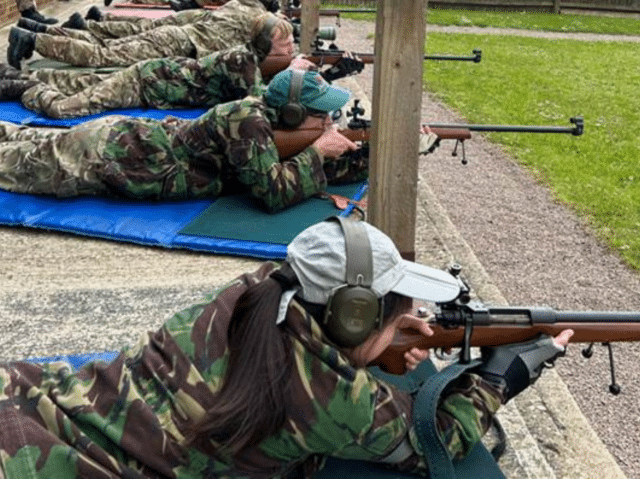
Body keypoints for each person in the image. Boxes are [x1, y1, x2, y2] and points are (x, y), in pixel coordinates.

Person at [0, 216, 573, 478]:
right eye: (396, 307)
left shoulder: (247, 294)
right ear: (351, 317)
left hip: (35, 396)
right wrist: (500, 378)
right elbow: (434, 441)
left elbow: (316, 341)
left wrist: (383, 336)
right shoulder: (332, 399)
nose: (412, 316)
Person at [0, 69, 369, 212]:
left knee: (16, 135)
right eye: (319, 114)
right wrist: (320, 152)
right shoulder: (249, 122)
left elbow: (282, 161)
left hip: (119, 141)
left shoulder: (261, 114)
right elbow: (273, 192)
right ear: (289, 113)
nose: (327, 121)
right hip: (99, 158)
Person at [0, 17, 296, 118]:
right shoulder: (241, 64)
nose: (292, 50)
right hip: (144, 82)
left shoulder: (247, 60)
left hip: (151, 77)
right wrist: (295, 78)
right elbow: (263, 106)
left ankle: (13, 76)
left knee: (79, 83)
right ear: (265, 46)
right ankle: (26, 86)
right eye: (286, 46)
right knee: (63, 108)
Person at [7, 0, 274, 69]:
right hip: (178, 43)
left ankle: (39, 30)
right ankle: (33, 39)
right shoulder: (258, 18)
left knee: (105, 46)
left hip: (177, 35)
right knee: (103, 55)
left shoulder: (240, 4)